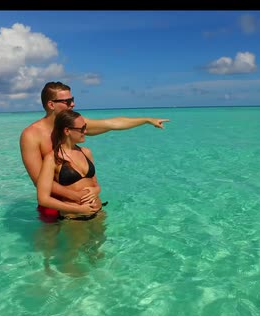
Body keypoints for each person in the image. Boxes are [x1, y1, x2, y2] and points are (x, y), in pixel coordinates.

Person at [20, 81, 169, 221]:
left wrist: (146, 120)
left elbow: (111, 124)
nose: (73, 104)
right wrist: (77, 197)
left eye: (73, 99)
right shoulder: (31, 135)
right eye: (67, 102)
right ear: (51, 104)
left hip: (86, 204)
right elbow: (39, 182)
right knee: (52, 247)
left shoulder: (76, 124)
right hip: (55, 205)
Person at [36, 110, 103, 219]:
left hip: (98, 212)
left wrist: (96, 190)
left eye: (85, 127)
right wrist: (78, 210)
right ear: (67, 131)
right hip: (74, 218)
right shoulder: (52, 159)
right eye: (81, 129)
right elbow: (43, 199)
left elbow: (95, 183)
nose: (85, 131)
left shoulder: (86, 152)